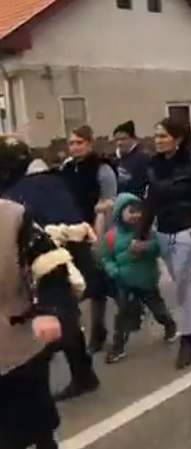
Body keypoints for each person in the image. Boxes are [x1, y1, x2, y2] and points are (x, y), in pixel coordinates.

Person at [0, 195, 83, 449]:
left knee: (35, 424)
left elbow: (52, 267)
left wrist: (50, 310)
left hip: (17, 345)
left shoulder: (12, 217)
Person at [140, 117, 191, 369]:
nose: (159, 140)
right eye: (156, 136)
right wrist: (141, 233)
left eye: (164, 136)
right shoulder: (153, 166)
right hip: (164, 233)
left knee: (183, 289)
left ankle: (188, 340)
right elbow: (151, 201)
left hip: (188, 233)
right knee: (186, 283)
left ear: (178, 139)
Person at [101, 193, 177, 364]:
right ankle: (118, 347)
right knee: (123, 316)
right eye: (131, 211)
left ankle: (169, 325)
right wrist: (113, 270)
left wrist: (145, 247)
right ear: (120, 213)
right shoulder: (111, 237)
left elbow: (159, 248)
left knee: (158, 309)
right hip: (125, 283)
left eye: (138, 211)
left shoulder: (148, 232)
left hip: (147, 281)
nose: (136, 215)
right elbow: (106, 258)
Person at [60, 125, 116, 355]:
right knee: (73, 284)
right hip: (71, 232)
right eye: (71, 143)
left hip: (95, 231)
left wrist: (99, 234)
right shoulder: (67, 168)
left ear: (90, 144)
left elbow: (109, 202)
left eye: (79, 143)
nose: (74, 147)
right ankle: (76, 333)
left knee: (98, 284)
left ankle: (99, 329)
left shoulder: (102, 169)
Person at [113, 120, 150, 198]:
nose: (119, 143)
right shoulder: (116, 159)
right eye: (117, 140)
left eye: (123, 139)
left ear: (133, 138)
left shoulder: (143, 158)